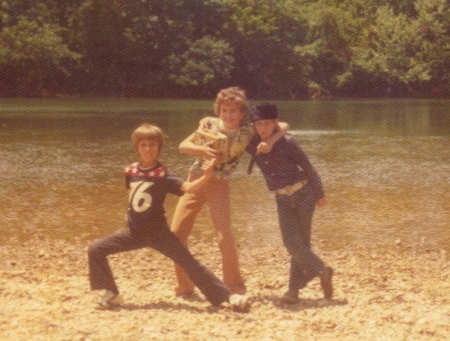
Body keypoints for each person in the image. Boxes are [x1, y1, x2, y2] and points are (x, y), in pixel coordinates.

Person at [87, 123, 248, 310]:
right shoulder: (131, 170)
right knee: (95, 249)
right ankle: (111, 293)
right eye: (143, 145)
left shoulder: (163, 174)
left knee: (190, 264)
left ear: (159, 148)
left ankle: (228, 298)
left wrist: (206, 176)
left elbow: (188, 189)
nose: (148, 149)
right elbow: (132, 194)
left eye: (152, 145)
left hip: (159, 234)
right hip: (134, 232)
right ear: (137, 148)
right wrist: (127, 216)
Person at [171, 87, 289, 296]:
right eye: (224, 110)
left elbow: (284, 126)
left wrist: (269, 141)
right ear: (218, 110)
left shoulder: (248, 128)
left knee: (224, 237)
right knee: (177, 233)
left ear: (243, 113)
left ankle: (234, 287)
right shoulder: (209, 124)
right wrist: (201, 150)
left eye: (233, 111)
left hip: (220, 184)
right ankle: (185, 285)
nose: (228, 115)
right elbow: (183, 145)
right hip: (195, 181)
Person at [246, 103, 333, 304]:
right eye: (258, 124)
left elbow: (309, 168)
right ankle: (323, 270)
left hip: (304, 194)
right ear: (254, 126)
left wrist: (319, 194)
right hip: (282, 198)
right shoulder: (252, 145)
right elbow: (232, 132)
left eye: (267, 123)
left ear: (275, 123)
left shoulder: (288, 142)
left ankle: (293, 290)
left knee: (301, 242)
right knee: (291, 243)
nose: (263, 128)